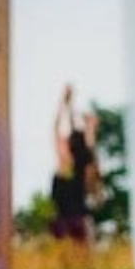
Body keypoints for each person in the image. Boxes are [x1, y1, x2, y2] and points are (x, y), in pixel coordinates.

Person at [50, 84, 100, 245]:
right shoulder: (80, 158)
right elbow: (64, 129)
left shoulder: (75, 159)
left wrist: (65, 103)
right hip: (72, 213)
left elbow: (58, 128)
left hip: (70, 214)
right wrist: (67, 104)